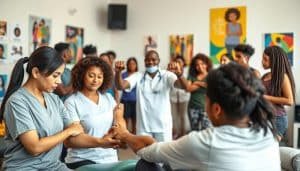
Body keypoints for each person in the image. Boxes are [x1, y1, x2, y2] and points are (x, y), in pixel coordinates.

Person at [113, 62, 280, 171]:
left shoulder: (205, 142)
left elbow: (147, 152)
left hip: (158, 137)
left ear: (216, 109)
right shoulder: (267, 132)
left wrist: (124, 132)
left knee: (145, 165)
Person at [0, 46, 84, 170]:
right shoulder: (17, 102)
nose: (59, 81)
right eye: (55, 76)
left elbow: (75, 130)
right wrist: (68, 131)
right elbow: (34, 147)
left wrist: (104, 142)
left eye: (60, 75)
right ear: (36, 73)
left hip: (53, 166)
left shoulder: (54, 100)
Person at [63, 57, 125, 169]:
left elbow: (118, 122)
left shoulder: (108, 98)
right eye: (91, 76)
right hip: (83, 159)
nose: (95, 80)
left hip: (110, 158)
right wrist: (101, 142)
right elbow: (71, 141)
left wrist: (121, 134)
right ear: (81, 75)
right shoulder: (72, 102)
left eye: (99, 76)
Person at [115, 50, 185, 142]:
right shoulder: (138, 76)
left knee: (163, 154)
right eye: (147, 60)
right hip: (144, 127)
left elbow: (181, 86)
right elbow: (121, 86)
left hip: (163, 126)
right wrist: (118, 73)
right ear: (144, 61)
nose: (150, 62)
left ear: (159, 61)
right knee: (145, 155)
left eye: (153, 59)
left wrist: (180, 75)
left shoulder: (166, 75)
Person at [261, 46, 295, 141]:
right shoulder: (264, 76)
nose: (262, 62)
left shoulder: (283, 77)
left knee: (270, 148)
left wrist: (265, 97)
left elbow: (289, 100)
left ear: (274, 60)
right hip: (264, 118)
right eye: (262, 58)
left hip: (277, 119)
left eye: (265, 59)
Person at [182, 53, 212, 131]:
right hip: (192, 107)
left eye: (202, 63)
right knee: (194, 130)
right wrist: (201, 83)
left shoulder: (211, 75)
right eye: (197, 65)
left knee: (206, 130)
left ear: (207, 64)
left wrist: (196, 82)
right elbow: (188, 88)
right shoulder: (192, 76)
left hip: (206, 108)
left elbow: (210, 86)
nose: (200, 66)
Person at [169, 55, 190, 138]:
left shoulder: (187, 72)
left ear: (183, 63)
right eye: (176, 62)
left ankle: (183, 133)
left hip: (184, 97)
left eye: (180, 62)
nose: (178, 64)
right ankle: (175, 132)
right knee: (173, 116)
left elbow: (187, 84)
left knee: (183, 116)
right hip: (173, 97)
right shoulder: (171, 72)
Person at [120, 57, 138, 134]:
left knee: (135, 119)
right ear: (127, 65)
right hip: (125, 100)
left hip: (136, 100)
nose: (131, 65)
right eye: (130, 64)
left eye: (133, 64)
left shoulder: (139, 75)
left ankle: (134, 133)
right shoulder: (123, 75)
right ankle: (126, 135)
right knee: (126, 119)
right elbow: (120, 86)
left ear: (136, 65)